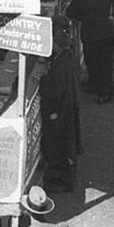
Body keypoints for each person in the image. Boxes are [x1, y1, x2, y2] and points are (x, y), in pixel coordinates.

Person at [66, 0, 114, 103]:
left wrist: (83, 17)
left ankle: (104, 92)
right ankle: (106, 87)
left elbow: (71, 12)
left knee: (94, 63)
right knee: (106, 63)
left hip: (91, 35)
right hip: (108, 32)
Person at [39, 17, 80, 193]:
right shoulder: (67, 58)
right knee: (63, 143)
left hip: (58, 110)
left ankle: (62, 181)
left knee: (58, 144)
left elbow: (55, 89)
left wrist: (41, 81)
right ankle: (62, 177)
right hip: (65, 106)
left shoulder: (60, 63)